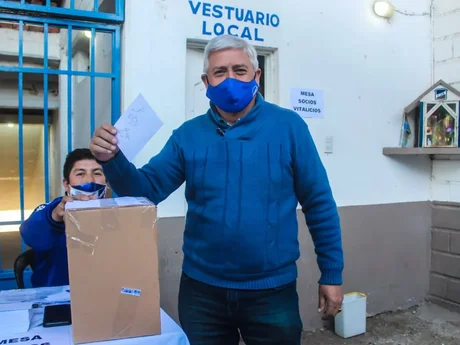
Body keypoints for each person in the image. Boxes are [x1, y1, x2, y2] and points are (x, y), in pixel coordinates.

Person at [90, 35, 344, 345]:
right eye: (220, 72)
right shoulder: (188, 136)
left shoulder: (289, 128)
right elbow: (147, 189)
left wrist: (331, 273)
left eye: (240, 70)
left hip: (271, 295)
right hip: (202, 294)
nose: (230, 80)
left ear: (257, 76)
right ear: (205, 81)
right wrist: (111, 159)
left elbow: (319, 204)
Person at [20, 148, 108, 288]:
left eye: (97, 173)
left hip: (101, 295)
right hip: (56, 300)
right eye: (80, 174)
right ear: (66, 184)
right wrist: (55, 218)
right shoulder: (53, 211)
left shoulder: (116, 213)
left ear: (106, 182)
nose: (90, 180)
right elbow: (30, 235)